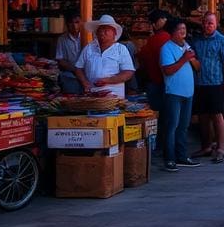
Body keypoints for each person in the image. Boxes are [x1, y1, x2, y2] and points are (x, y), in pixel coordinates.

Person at [159, 19, 201, 172]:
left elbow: (197, 67)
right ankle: (169, 159)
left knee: (183, 126)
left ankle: (182, 156)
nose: (183, 32)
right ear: (172, 32)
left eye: (184, 28)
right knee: (172, 126)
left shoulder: (187, 46)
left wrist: (192, 58)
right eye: (179, 29)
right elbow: (168, 70)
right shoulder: (166, 48)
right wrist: (184, 59)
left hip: (188, 92)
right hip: (174, 92)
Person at [191, 12, 224, 162]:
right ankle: (206, 146)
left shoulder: (221, 40)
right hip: (200, 83)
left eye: (210, 23)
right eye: (205, 23)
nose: (207, 26)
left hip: (216, 82)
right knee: (202, 116)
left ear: (216, 24)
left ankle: (220, 148)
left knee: (217, 115)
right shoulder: (197, 41)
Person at [74, 15, 135, 98]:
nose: (103, 33)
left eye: (107, 30)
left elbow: (128, 73)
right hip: (92, 95)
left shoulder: (121, 49)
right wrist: (84, 82)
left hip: (114, 95)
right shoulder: (89, 48)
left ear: (114, 33)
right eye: (100, 30)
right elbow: (78, 68)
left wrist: (108, 81)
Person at [137, 10, 170, 152]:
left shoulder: (156, 39)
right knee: (168, 117)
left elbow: (142, 57)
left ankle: (156, 145)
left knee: (157, 115)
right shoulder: (169, 38)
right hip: (167, 83)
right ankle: (165, 145)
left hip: (156, 82)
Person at [54, 10, 84, 95]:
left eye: (77, 22)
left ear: (81, 22)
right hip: (70, 74)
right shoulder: (62, 39)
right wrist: (75, 70)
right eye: (71, 23)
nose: (74, 26)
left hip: (86, 73)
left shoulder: (88, 37)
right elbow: (60, 60)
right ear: (67, 24)